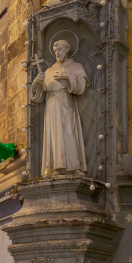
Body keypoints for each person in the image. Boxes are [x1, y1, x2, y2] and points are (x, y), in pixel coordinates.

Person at [31, 40, 88, 176]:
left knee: (69, 132)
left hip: (66, 102)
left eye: (60, 50)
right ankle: (56, 167)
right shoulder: (49, 71)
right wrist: (36, 83)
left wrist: (67, 76)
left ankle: (75, 167)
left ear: (66, 50)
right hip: (51, 106)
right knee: (54, 135)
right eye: (55, 51)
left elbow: (81, 85)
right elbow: (39, 97)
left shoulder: (76, 66)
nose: (57, 53)